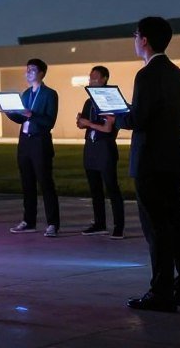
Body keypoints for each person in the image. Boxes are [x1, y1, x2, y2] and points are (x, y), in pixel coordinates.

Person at [116, 16, 180, 312]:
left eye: (136, 35)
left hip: (150, 159)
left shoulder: (146, 75)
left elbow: (139, 119)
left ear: (145, 39)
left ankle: (160, 292)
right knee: (177, 223)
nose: (135, 40)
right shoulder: (177, 74)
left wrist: (118, 117)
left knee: (156, 228)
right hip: (174, 157)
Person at [6, 58, 60, 237]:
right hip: (25, 141)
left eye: (32, 70)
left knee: (45, 183)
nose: (28, 72)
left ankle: (52, 223)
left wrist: (31, 114)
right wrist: (10, 113)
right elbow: (22, 119)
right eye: (27, 69)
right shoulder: (26, 93)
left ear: (42, 73)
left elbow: (49, 121)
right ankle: (29, 221)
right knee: (27, 183)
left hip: (40, 141)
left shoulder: (50, 94)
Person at [76, 65, 124, 239]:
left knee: (112, 188)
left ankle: (119, 226)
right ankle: (99, 223)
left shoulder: (110, 99)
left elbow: (107, 128)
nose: (91, 80)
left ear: (104, 79)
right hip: (91, 146)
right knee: (94, 188)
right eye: (90, 77)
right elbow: (85, 123)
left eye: (95, 77)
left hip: (105, 147)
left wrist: (87, 123)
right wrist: (81, 122)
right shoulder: (89, 101)